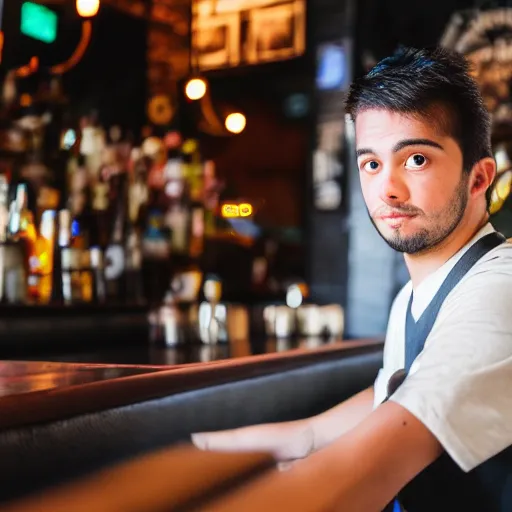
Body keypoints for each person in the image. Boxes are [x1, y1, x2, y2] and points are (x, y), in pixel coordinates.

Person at [191, 47, 512, 511]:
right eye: (372, 164)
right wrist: (192, 447)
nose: (388, 189)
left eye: (416, 159)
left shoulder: (498, 289)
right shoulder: (413, 297)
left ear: (479, 178)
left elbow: (353, 478)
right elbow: (320, 430)